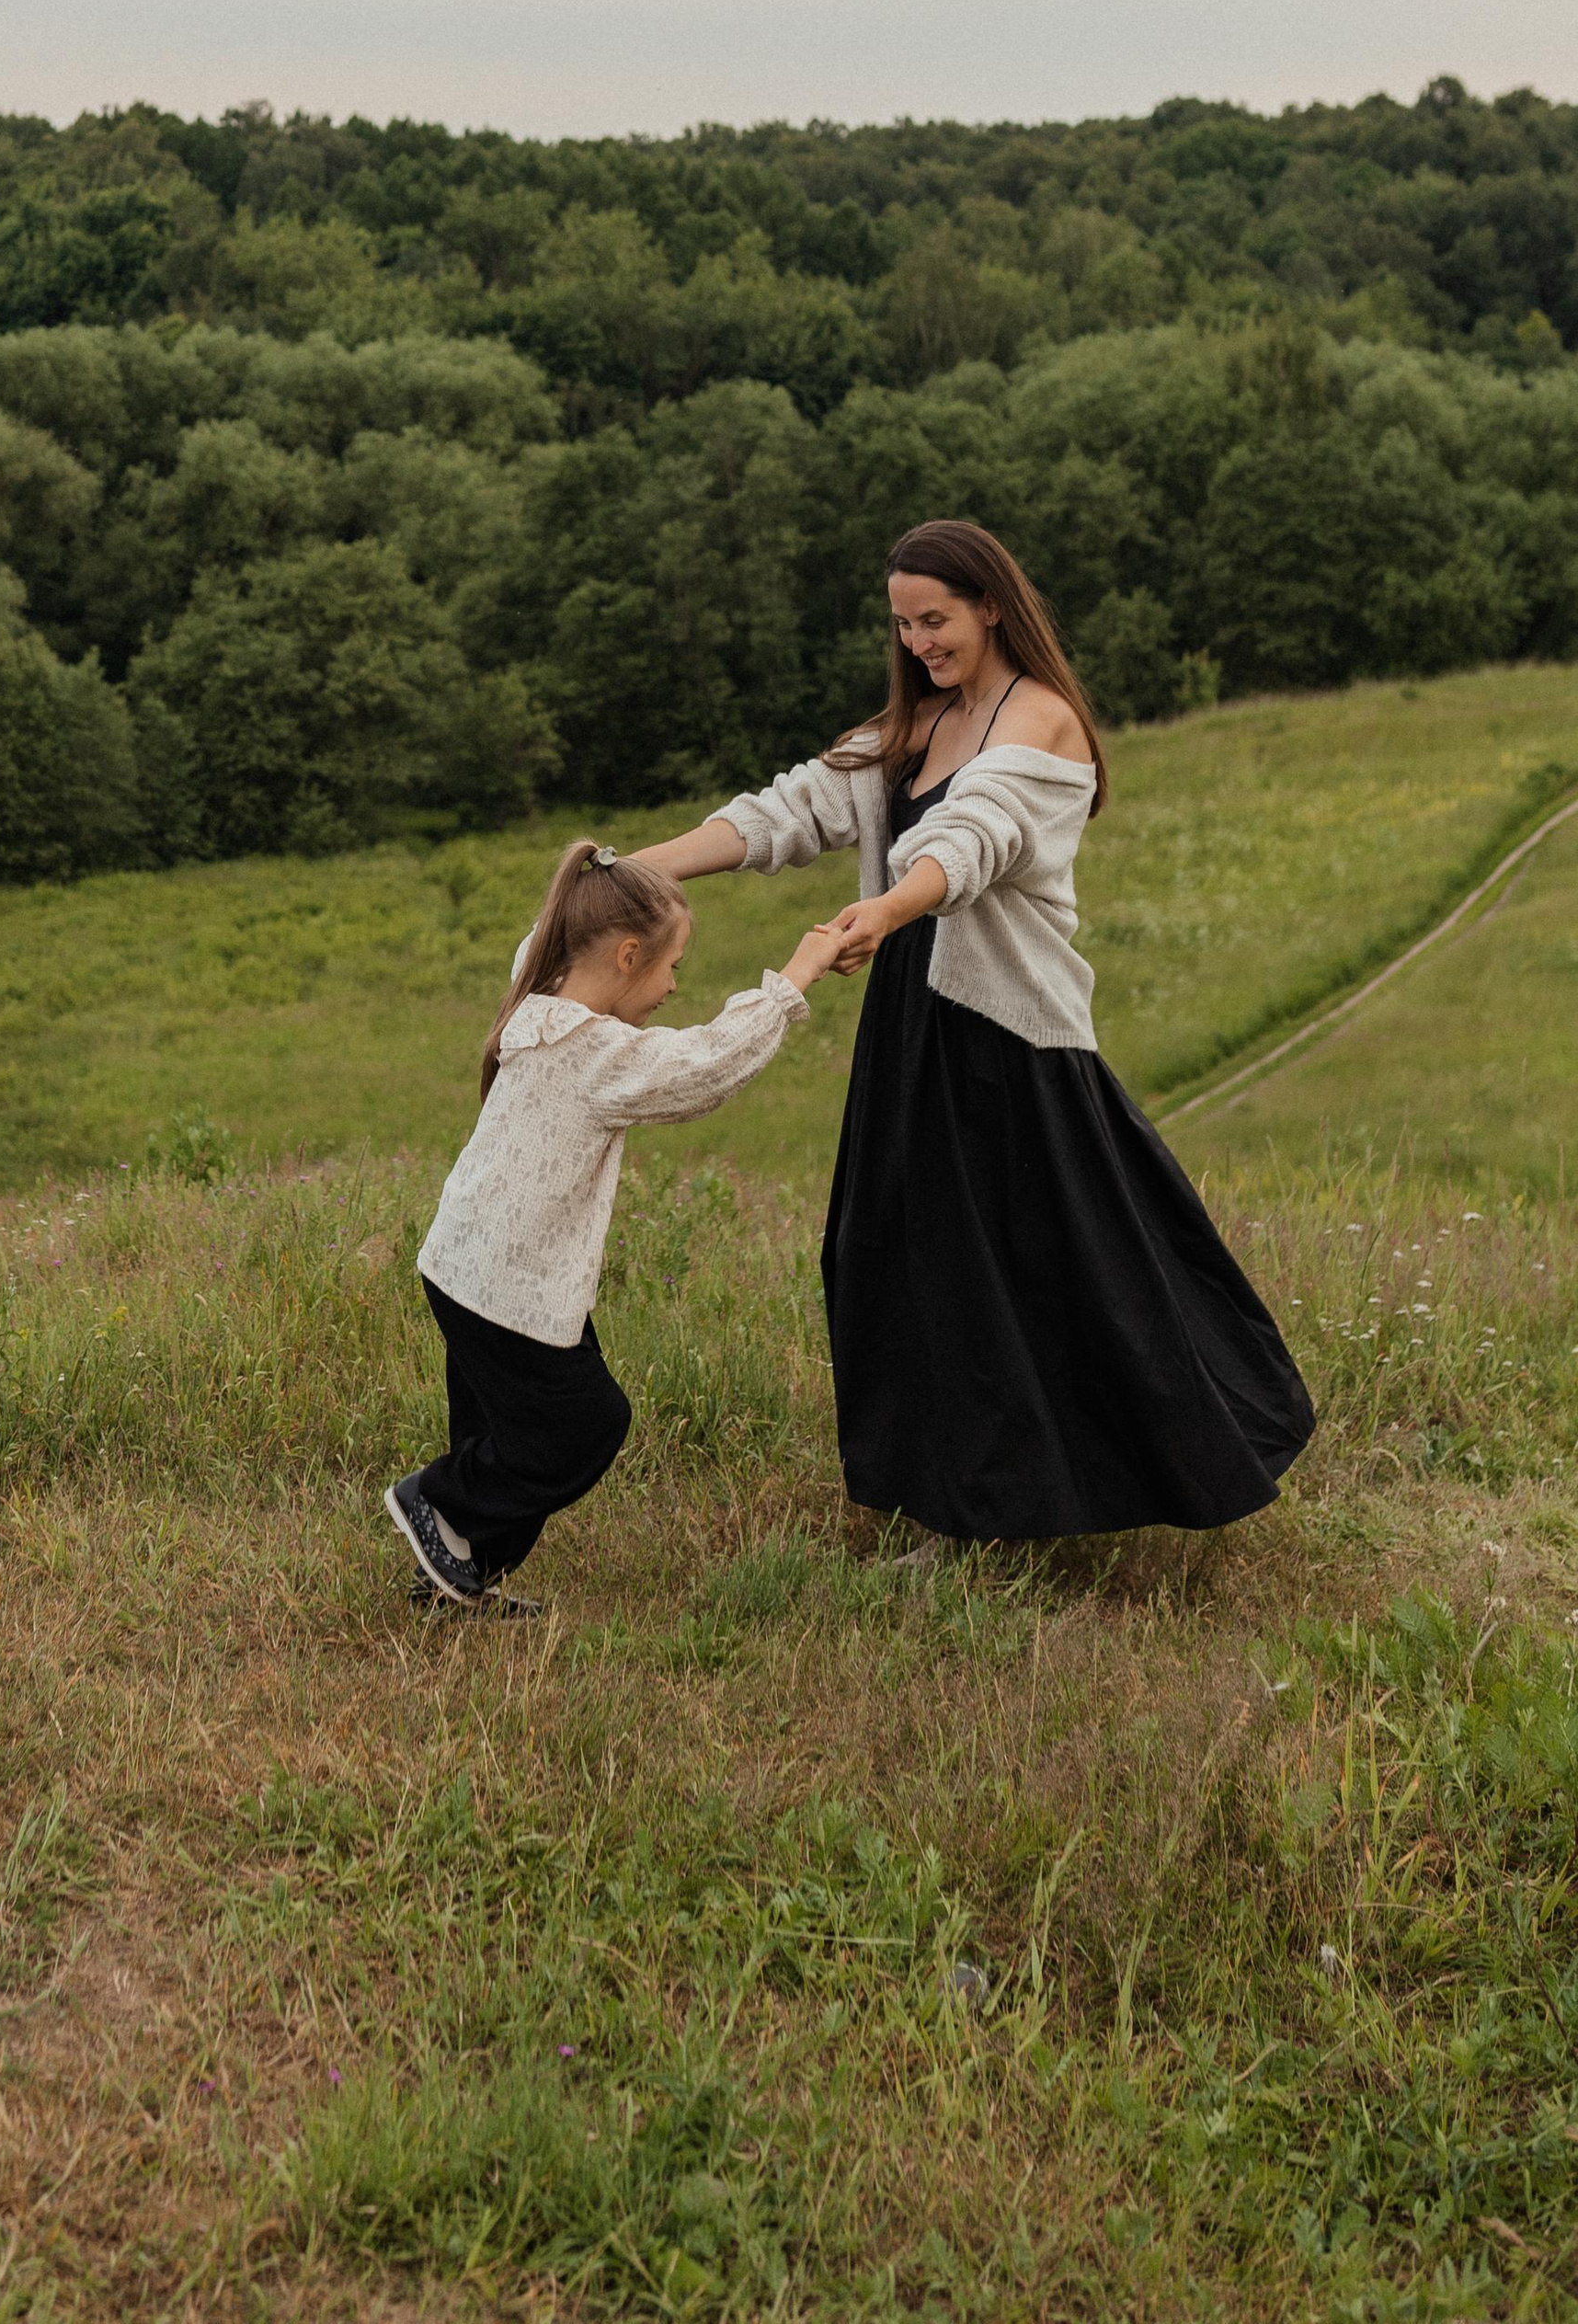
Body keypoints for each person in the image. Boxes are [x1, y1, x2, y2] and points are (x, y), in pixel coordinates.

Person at [634, 519, 1313, 1549]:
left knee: (1041, 1277)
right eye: (903, 625)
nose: (918, 643)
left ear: (991, 604)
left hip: (1007, 1041)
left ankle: (1052, 1494)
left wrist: (890, 910)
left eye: (936, 621)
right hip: (910, 1028)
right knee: (889, 1261)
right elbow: (784, 813)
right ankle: (944, 1507)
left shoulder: (1039, 723)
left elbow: (975, 838)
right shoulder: (913, 724)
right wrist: (640, 870)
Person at [387, 835, 846, 1610]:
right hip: (504, 1284)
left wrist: (609, 879)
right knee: (583, 1426)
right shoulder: (594, 1053)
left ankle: (455, 1580)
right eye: (671, 967)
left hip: (471, 1267)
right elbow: (704, 1068)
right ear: (628, 956)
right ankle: (437, 1503)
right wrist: (794, 979)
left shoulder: (537, 992)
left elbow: (549, 933)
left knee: (500, 1439)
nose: (673, 987)